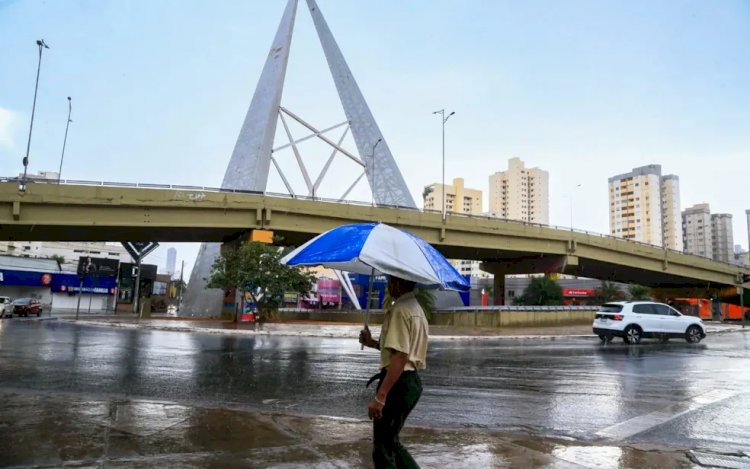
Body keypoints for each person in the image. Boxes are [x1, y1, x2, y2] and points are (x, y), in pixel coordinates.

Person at [359, 275, 428, 469]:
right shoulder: (416, 308)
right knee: (391, 441)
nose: (388, 286)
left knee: (382, 446)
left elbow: (400, 356)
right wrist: (371, 342)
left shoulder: (400, 310)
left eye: (390, 281)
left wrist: (380, 397)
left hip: (398, 383)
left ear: (397, 284)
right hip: (411, 382)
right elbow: (397, 348)